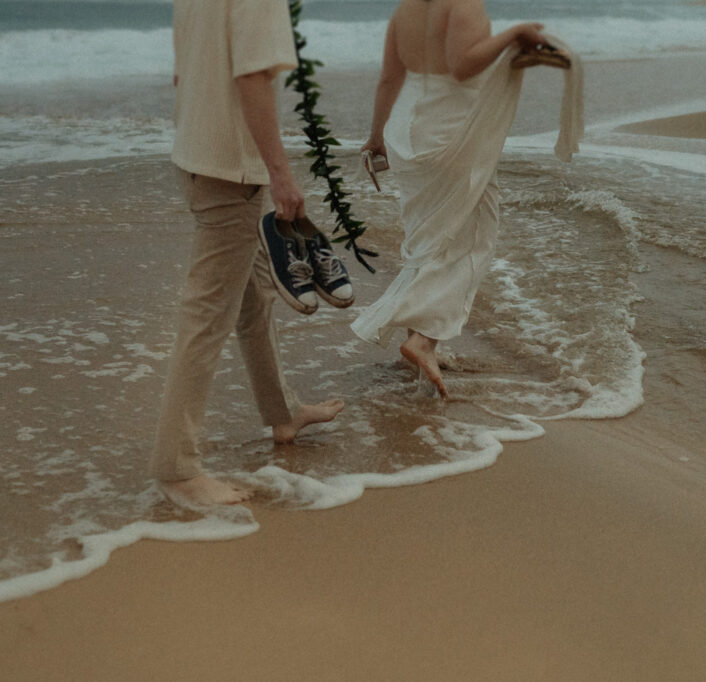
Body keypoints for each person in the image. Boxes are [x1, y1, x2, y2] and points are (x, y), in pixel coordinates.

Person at [152, 0, 345, 506]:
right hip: (230, 173)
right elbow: (253, 78)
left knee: (254, 296)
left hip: (197, 158)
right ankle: (177, 469)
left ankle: (283, 412)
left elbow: (182, 76)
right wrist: (280, 175)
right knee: (207, 317)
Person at [352, 0, 580, 398]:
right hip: (449, 130)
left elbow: (390, 78)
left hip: (406, 130)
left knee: (429, 239)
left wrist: (375, 136)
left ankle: (422, 347)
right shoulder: (463, 4)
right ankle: (422, 340)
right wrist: (513, 34)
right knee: (472, 234)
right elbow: (463, 65)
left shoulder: (404, 12)